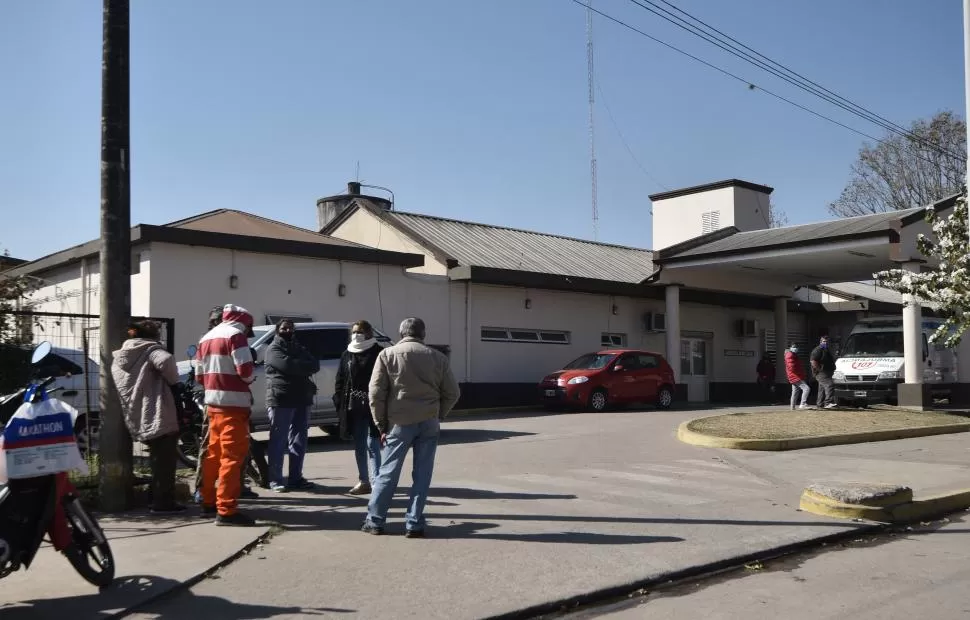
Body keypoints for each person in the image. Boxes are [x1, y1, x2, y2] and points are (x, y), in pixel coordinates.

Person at [362, 318, 460, 537]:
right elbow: (453, 393)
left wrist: (380, 424)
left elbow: (375, 394)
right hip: (428, 422)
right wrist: (439, 414)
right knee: (422, 475)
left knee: (387, 473)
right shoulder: (438, 357)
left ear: (400, 333)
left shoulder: (387, 355)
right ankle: (414, 523)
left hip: (398, 422)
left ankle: (375, 520)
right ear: (423, 334)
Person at [111, 320, 185, 514]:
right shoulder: (151, 350)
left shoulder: (121, 355)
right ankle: (163, 503)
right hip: (158, 412)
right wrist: (174, 382)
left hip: (136, 413)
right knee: (165, 461)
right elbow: (166, 361)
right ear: (153, 336)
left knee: (156, 459)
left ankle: (156, 497)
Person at [196, 304, 257, 526]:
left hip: (212, 405)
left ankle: (208, 501)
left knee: (213, 455)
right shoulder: (236, 336)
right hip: (234, 406)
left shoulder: (205, 338)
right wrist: (250, 380)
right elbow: (246, 372)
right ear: (244, 321)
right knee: (231, 458)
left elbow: (199, 377)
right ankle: (227, 509)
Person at [265, 319, 319, 492]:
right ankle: (275, 480)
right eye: (284, 328)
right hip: (281, 399)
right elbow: (287, 365)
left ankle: (296, 478)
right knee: (278, 442)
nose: (287, 330)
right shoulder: (273, 349)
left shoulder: (298, 347)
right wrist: (301, 365)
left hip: (302, 398)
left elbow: (314, 364)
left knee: (299, 441)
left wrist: (298, 364)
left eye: (290, 328)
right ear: (277, 330)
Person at [334, 320, 383, 496]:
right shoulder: (347, 353)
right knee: (360, 444)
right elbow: (340, 379)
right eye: (354, 331)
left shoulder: (379, 352)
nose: (356, 334)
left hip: (373, 405)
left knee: (373, 444)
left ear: (369, 333)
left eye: (360, 331)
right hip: (353, 406)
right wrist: (339, 401)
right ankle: (364, 481)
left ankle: (378, 482)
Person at [811, 335, 838, 409]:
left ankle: (819, 404)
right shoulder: (818, 350)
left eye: (827, 342)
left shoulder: (826, 350)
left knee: (822, 389)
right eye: (824, 341)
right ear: (820, 342)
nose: (826, 343)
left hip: (827, 372)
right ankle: (828, 403)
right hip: (821, 373)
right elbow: (813, 361)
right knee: (830, 385)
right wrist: (819, 369)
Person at [785, 343, 811, 410]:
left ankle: (792, 407)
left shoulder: (792, 355)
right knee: (806, 388)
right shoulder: (790, 355)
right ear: (790, 347)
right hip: (795, 376)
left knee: (795, 392)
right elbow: (792, 367)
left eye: (796, 347)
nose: (796, 348)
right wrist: (799, 370)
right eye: (794, 347)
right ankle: (803, 403)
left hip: (794, 376)